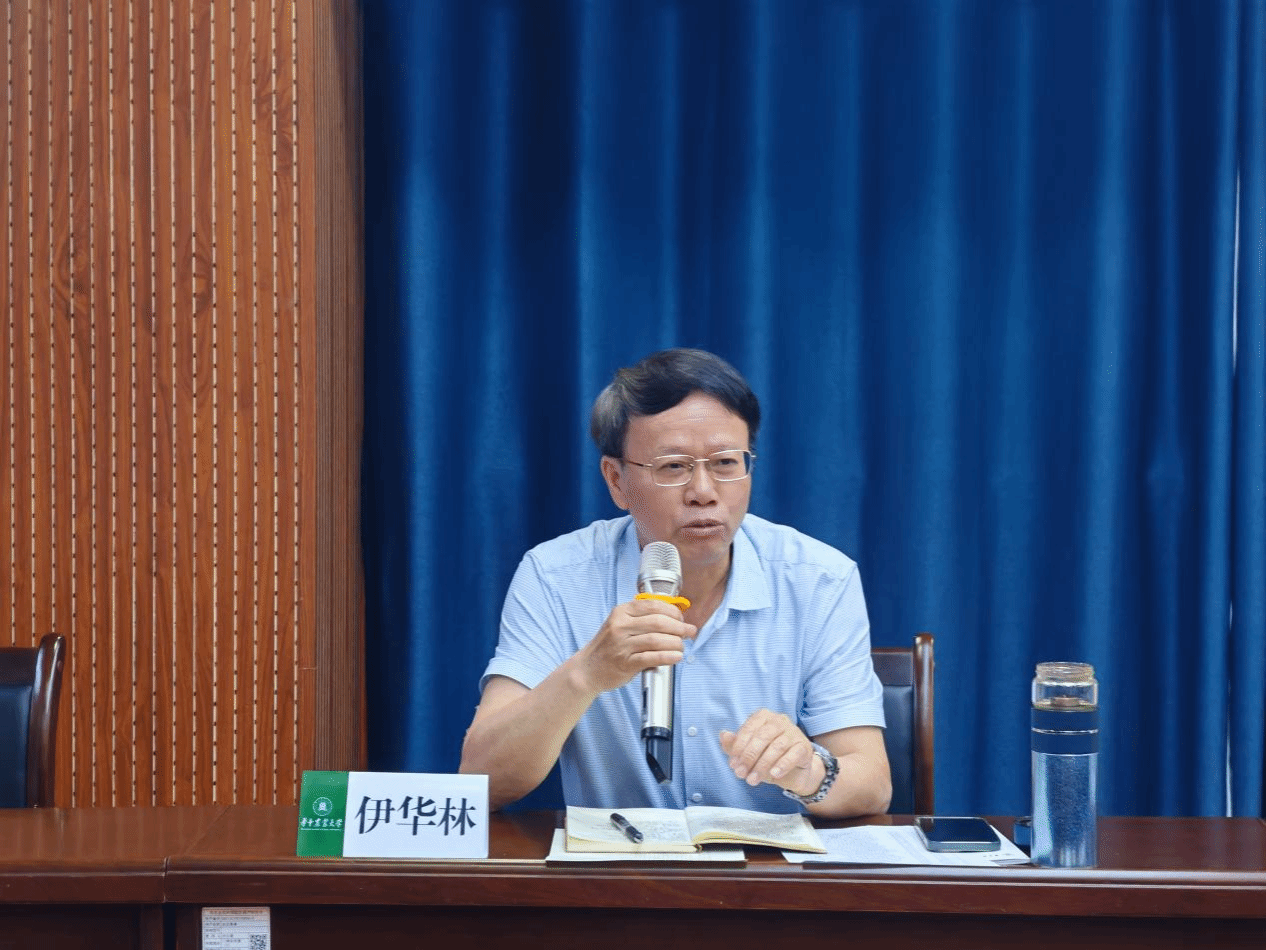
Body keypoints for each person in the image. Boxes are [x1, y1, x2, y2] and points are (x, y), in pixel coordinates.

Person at [460, 348, 890, 817]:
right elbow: (483, 780)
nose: (703, 492)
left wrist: (808, 772)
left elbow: (872, 784)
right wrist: (584, 674)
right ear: (616, 480)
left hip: (765, 862)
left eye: (725, 463)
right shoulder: (556, 576)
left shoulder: (819, 580)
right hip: (620, 862)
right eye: (673, 467)